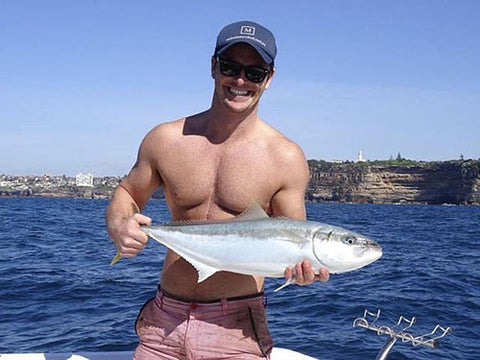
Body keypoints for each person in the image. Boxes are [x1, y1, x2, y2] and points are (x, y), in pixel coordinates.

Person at [105, 20, 329, 360]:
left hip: (236, 329)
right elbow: (127, 195)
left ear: (268, 79)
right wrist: (120, 225)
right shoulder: (165, 139)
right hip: (163, 323)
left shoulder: (285, 157)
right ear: (213, 67)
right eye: (230, 67)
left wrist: (303, 273)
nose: (240, 81)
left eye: (254, 72)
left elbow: (293, 243)